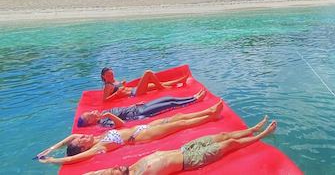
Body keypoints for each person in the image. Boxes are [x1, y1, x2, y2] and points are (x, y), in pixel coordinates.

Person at [36, 100, 223, 165]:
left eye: (82, 136)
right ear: (84, 148)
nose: (83, 136)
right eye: (82, 139)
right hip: (140, 136)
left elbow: (71, 138)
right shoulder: (98, 147)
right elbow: (71, 159)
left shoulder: (96, 137)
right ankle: (211, 117)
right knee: (180, 124)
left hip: (137, 128)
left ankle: (207, 111)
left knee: (177, 117)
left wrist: (50, 149)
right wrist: (52, 160)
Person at [83, 117, 276, 175]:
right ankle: (263, 134)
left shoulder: (130, 169)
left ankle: (252, 129)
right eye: (114, 171)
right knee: (230, 143)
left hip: (184, 148)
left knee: (222, 135)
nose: (115, 167)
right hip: (190, 160)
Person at [78, 89, 206, 128]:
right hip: (141, 113)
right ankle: (195, 100)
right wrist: (108, 116)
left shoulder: (102, 113)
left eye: (90, 111)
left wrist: (134, 105)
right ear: (91, 121)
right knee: (170, 104)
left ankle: (192, 96)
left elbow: (121, 110)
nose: (93, 111)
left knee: (168, 98)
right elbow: (121, 123)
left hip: (138, 107)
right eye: (90, 114)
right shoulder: (103, 122)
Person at [101, 67, 188, 102]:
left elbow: (121, 89)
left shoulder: (113, 80)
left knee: (157, 84)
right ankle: (164, 89)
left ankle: (179, 81)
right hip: (134, 93)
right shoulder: (107, 86)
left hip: (134, 89)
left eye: (111, 74)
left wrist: (122, 84)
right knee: (148, 73)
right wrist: (116, 94)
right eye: (108, 75)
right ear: (103, 76)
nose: (111, 76)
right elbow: (105, 100)